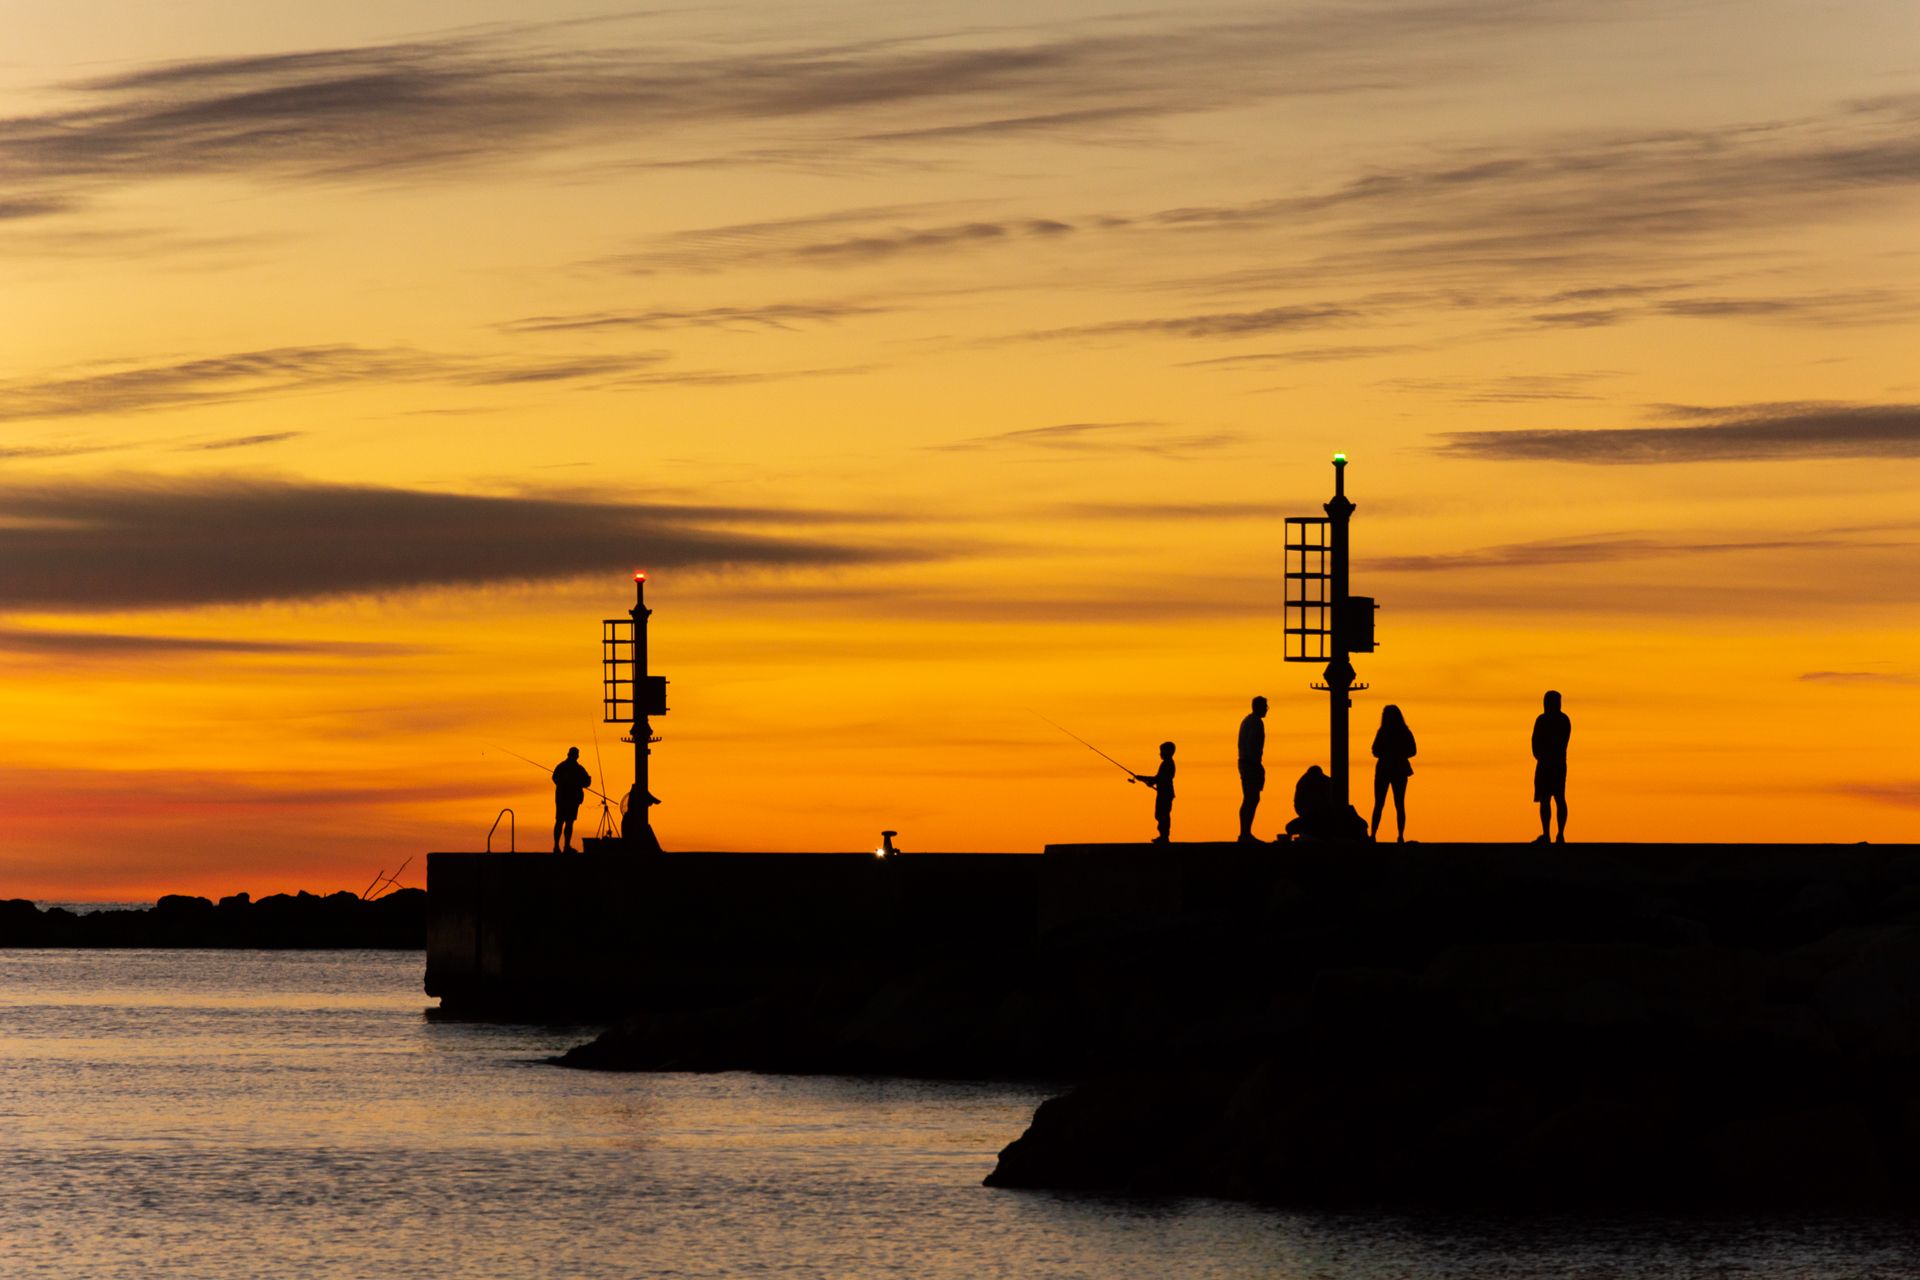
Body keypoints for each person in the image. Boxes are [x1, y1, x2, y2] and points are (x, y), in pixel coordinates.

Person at [1370, 705, 1417, 842]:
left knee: (1379, 804)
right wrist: (1400, 754)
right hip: (1399, 770)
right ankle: (1400, 835)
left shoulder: (1383, 732)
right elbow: (1413, 751)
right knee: (1399, 804)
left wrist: (1387, 753)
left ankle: (1373, 835)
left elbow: (1375, 750)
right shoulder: (1405, 732)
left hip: (1384, 770)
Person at [1532, 690, 1571, 844]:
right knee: (1558, 798)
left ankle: (1548, 834)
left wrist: (1541, 756)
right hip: (1559, 763)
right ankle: (1558, 835)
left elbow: (1535, 742)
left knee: (1547, 799)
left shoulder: (1542, 720)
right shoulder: (1564, 720)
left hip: (1547, 763)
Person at [1237, 696, 1268, 843]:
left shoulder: (1247, 720)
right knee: (1253, 798)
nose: (1267, 710)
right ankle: (1246, 834)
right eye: (1265, 707)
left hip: (1244, 762)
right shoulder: (1256, 722)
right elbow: (1251, 743)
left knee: (1248, 798)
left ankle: (1244, 833)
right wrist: (1256, 762)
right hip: (1250, 763)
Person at [1134, 741, 1177, 844]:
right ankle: (1163, 836)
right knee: (1161, 814)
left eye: (1161, 751)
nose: (1160, 753)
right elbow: (1159, 779)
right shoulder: (1168, 763)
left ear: (1167, 752)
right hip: (1164, 792)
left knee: (1162, 814)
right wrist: (1149, 781)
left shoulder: (1167, 763)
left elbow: (1160, 778)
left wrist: (1143, 778)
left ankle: (1164, 837)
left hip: (1165, 793)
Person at [552, 747, 591, 852]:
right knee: (567, 822)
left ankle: (559, 846)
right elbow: (587, 782)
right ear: (577, 756)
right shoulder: (578, 769)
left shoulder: (561, 767)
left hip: (563, 799)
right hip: (570, 799)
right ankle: (564, 846)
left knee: (561, 821)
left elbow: (555, 778)